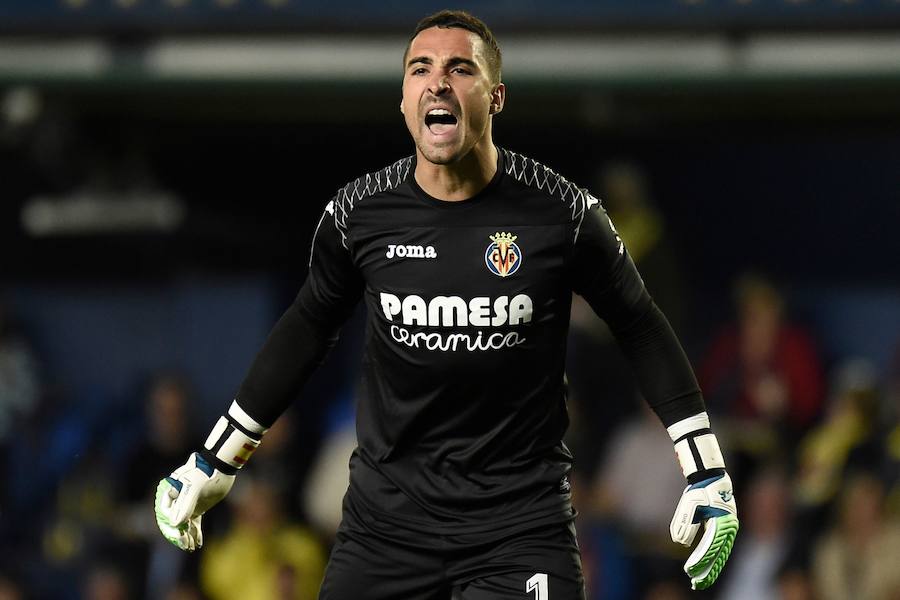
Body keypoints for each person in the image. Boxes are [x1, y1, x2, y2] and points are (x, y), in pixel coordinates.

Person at [153, 10, 738, 599]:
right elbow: (307, 328)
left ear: (496, 97)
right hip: (385, 532)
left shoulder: (563, 215)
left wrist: (706, 470)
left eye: (460, 68)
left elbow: (639, 325)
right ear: (404, 100)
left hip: (519, 532)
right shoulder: (358, 217)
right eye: (421, 69)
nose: (438, 82)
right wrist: (215, 461)